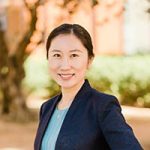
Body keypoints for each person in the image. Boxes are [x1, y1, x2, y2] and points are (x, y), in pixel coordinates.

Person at [34, 23, 143, 150]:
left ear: (89, 60)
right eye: (57, 55)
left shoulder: (102, 107)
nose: (65, 65)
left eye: (74, 55)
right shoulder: (46, 108)